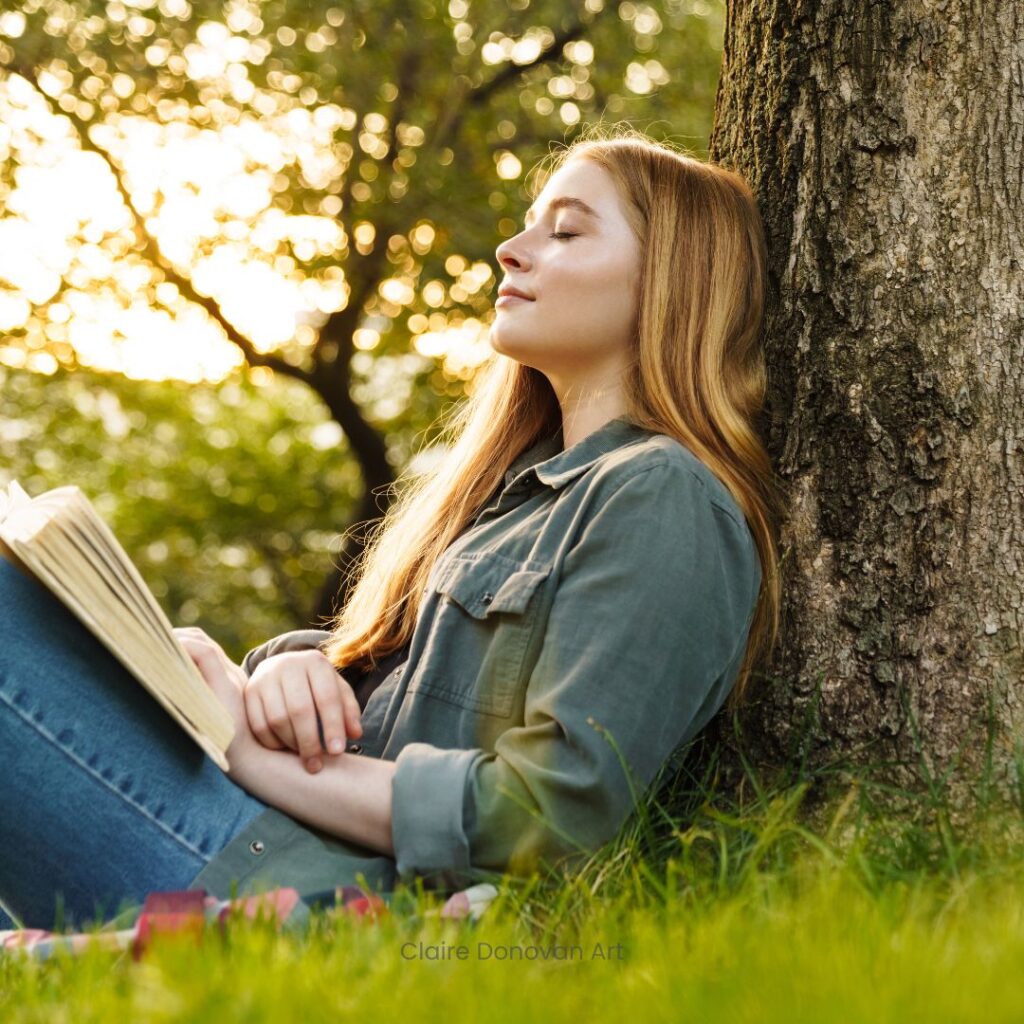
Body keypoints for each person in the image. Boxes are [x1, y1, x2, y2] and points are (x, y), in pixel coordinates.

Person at [0, 126, 785, 932]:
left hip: (311, 880)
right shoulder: (505, 493)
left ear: (670, 281)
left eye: (566, 231)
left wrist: (248, 751)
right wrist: (294, 674)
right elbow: (398, 683)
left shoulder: (661, 496)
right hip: (268, 834)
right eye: (526, 224)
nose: (511, 251)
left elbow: (553, 815)